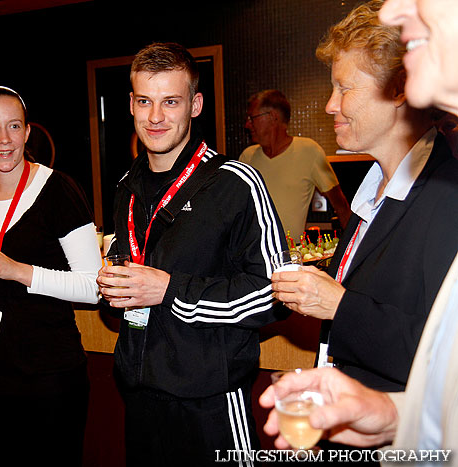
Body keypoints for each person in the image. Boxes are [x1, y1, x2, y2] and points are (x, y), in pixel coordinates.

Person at [261, 0, 458, 454]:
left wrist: (338, 304)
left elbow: (436, 358)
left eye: (343, 88)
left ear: (398, 91)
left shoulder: (446, 198)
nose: (330, 104)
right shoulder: (371, 193)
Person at [96, 42, 288, 466]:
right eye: (144, 101)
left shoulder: (235, 183)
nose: (155, 117)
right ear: (130, 104)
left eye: (170, 102)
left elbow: (276, 293)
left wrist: (170, 290)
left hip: (212, 404)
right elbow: (127, 261)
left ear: (195, 105)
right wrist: (112, 284)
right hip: (141, 398)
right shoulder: (127, 186)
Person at [0, 86, 101, 466]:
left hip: (47, 375)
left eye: (13, 126)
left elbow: (92, 286)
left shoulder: (59, 190)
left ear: (27, 132)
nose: (3, 140)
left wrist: (16, 271)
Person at [239, 89, 351, 240]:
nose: (247, 124)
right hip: (250, 257)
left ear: (272, 117)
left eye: (252, 118)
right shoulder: (247, 157)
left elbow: (341, 206)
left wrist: (357, 253)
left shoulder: (309, 151)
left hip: (290, 257)